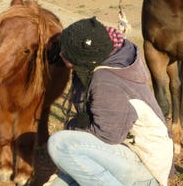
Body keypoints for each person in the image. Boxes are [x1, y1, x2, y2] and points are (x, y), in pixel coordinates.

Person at [45, 17, 175, 186]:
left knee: (59, 144)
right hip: (121, 153)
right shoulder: (106, 58)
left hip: (145, 166)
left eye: (66, 53)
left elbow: (108, 136)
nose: (61, 54)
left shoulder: (106, 83)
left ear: (83, 59)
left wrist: (73, 128)